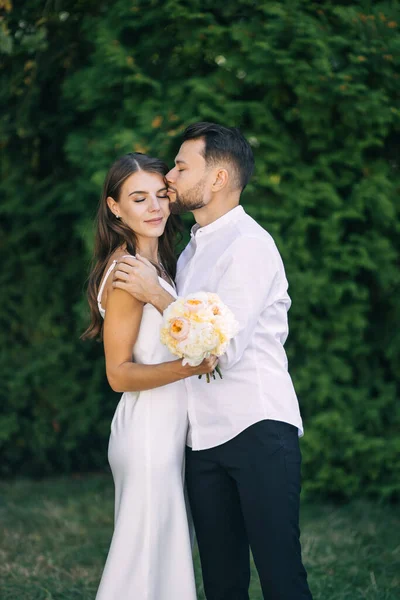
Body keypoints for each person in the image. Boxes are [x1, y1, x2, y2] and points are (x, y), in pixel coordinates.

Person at [113, 123, 313, 599]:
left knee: (281, 576)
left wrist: (157, 295)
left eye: (182, 166)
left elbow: (221, 349)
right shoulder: (190, 250)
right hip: (202, 440)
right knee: (222, 583)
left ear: (219, 178)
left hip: (257, 428)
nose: (171, 178)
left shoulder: (249, 245)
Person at [82, 152, 218, 600]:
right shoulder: (127, 273)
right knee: (139, 564)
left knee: (164, 557)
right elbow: (118, 375)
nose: (155, 207)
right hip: (145, 437)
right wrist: (191, 366)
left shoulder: (160, 266)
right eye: (139, 199)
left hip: (167, 433)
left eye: (161, 195)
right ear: (115, 207)